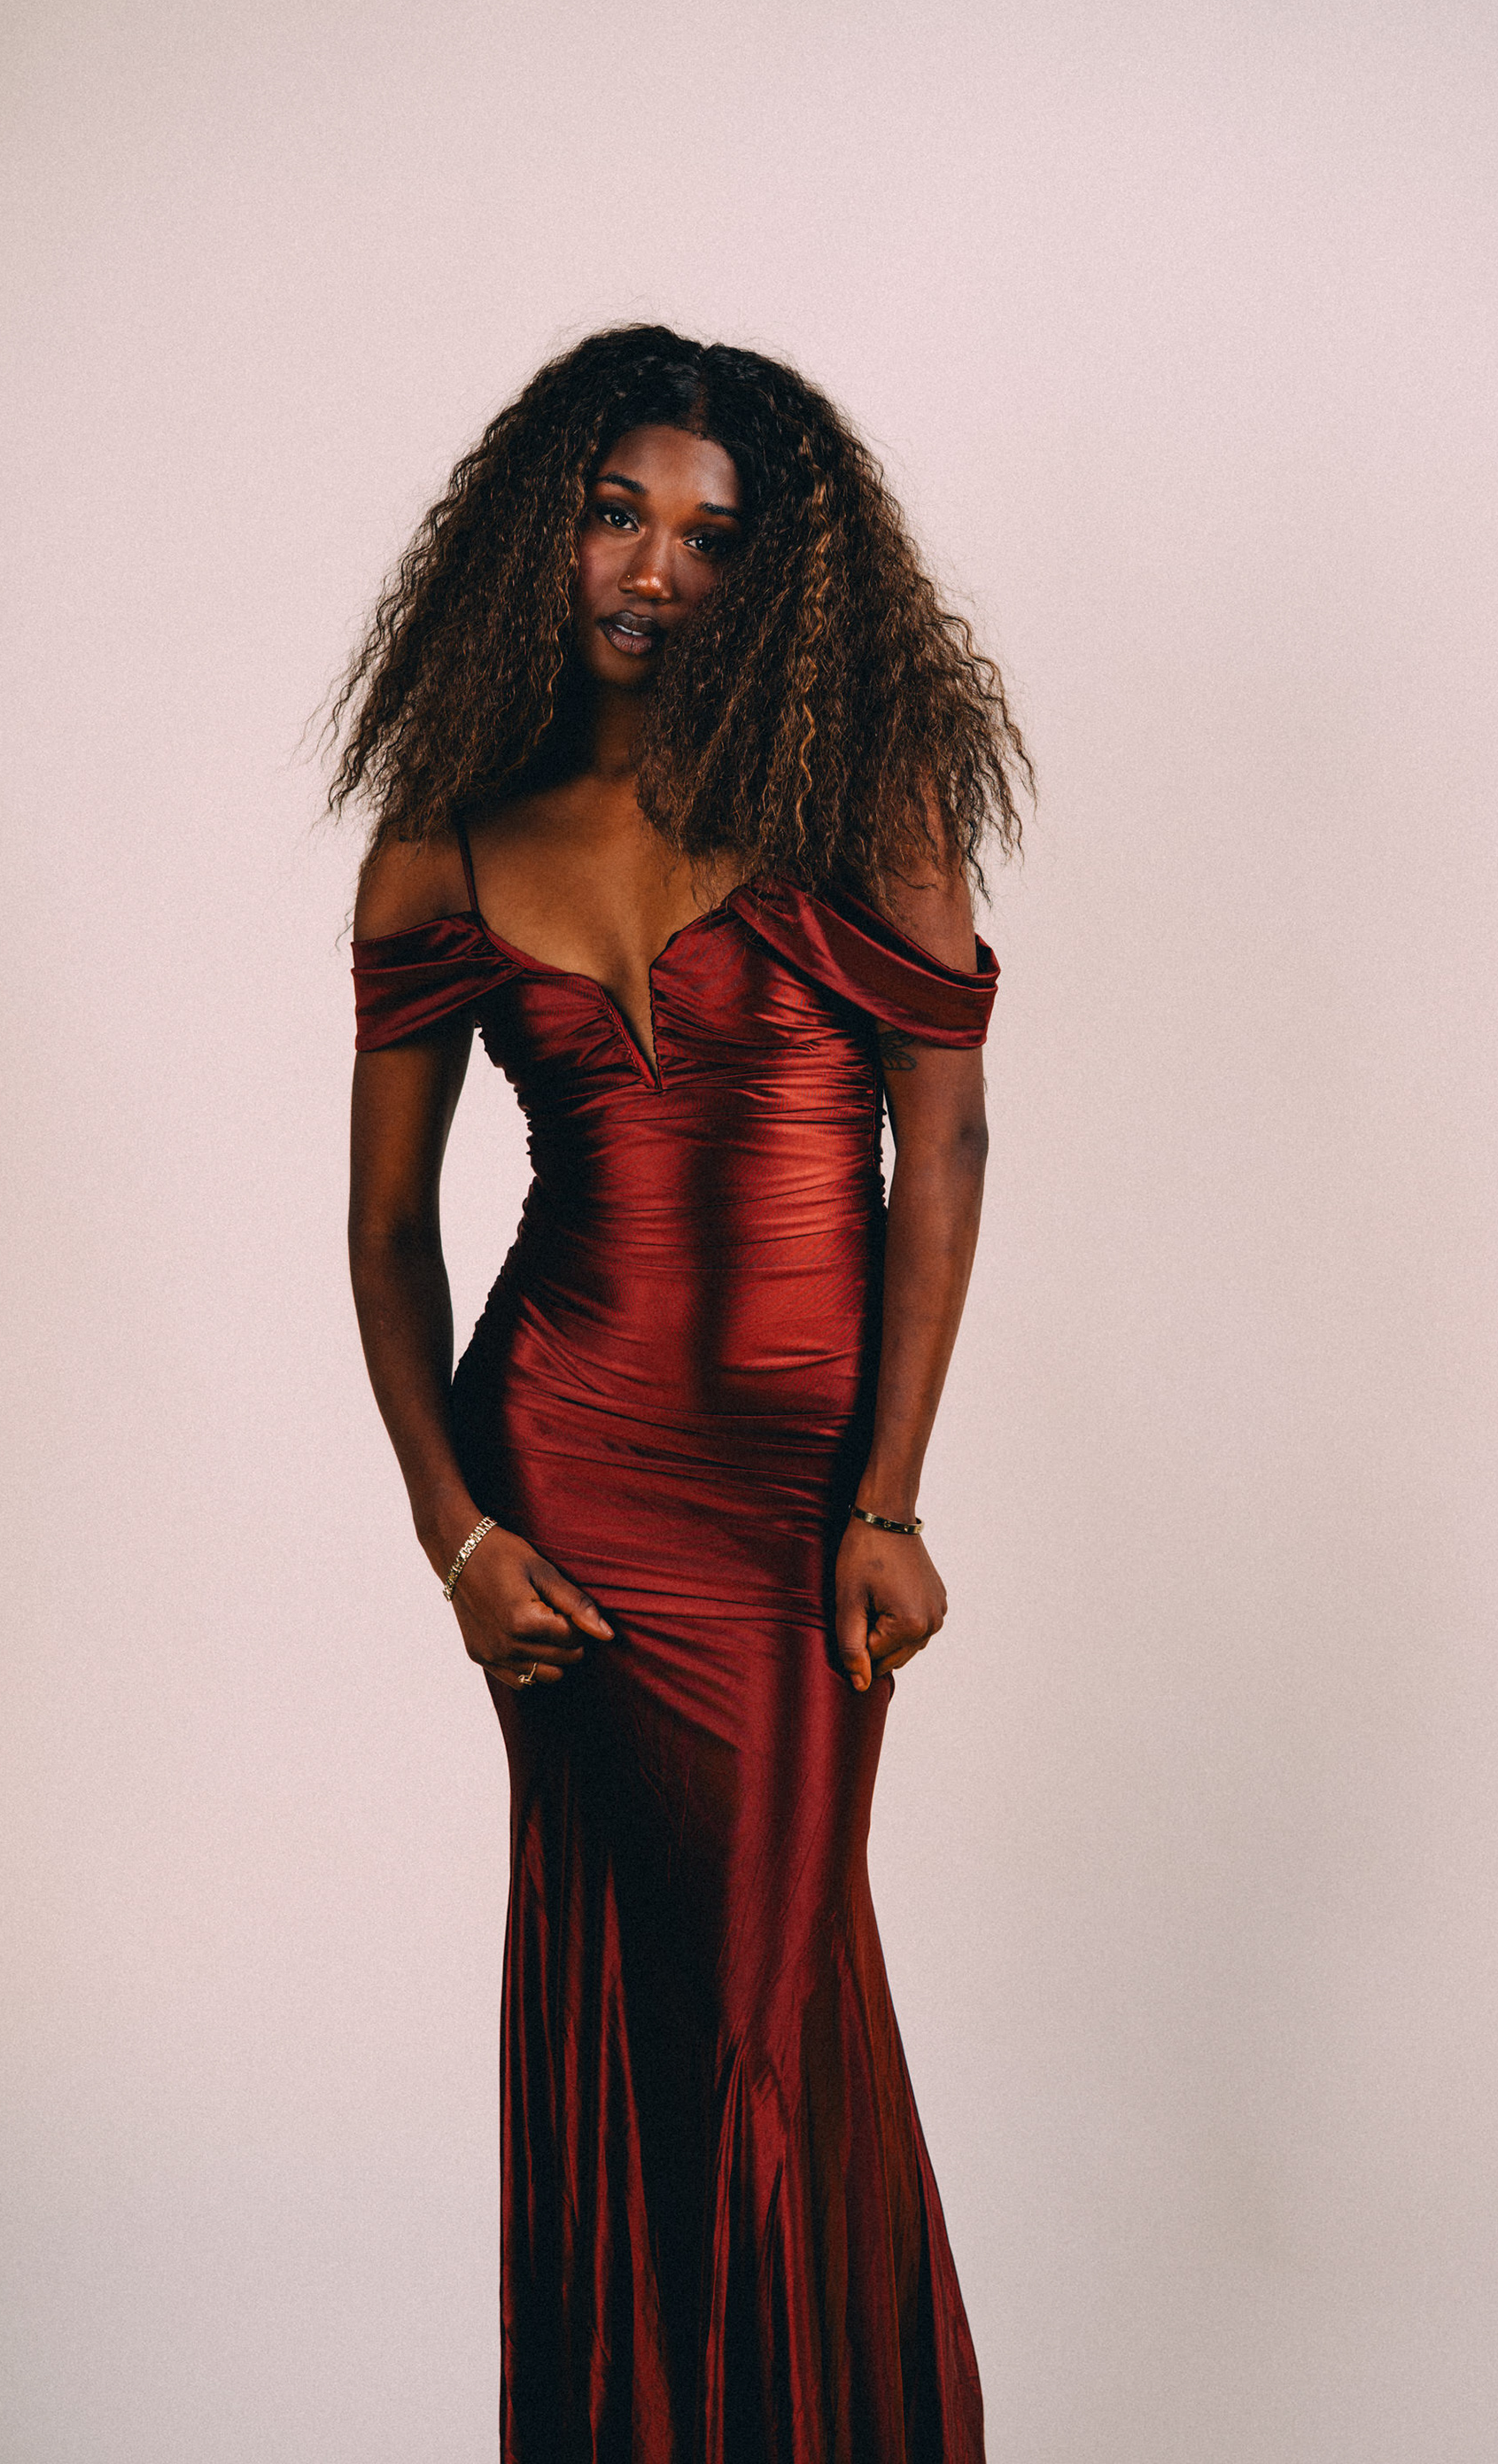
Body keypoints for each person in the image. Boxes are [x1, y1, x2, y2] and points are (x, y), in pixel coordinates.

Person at [331, 325, 1028, 2461]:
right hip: (562, 1471)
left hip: (801, 1499)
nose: (652, 570)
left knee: (761, 2006)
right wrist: (459, 1532)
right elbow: (389, 1231)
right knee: (653, 1997)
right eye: (615, 515)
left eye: (709, 540)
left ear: (781, 576)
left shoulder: (861, 811)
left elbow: (944, 1149)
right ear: (538, 532)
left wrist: (890, 1499)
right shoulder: (451, 843)